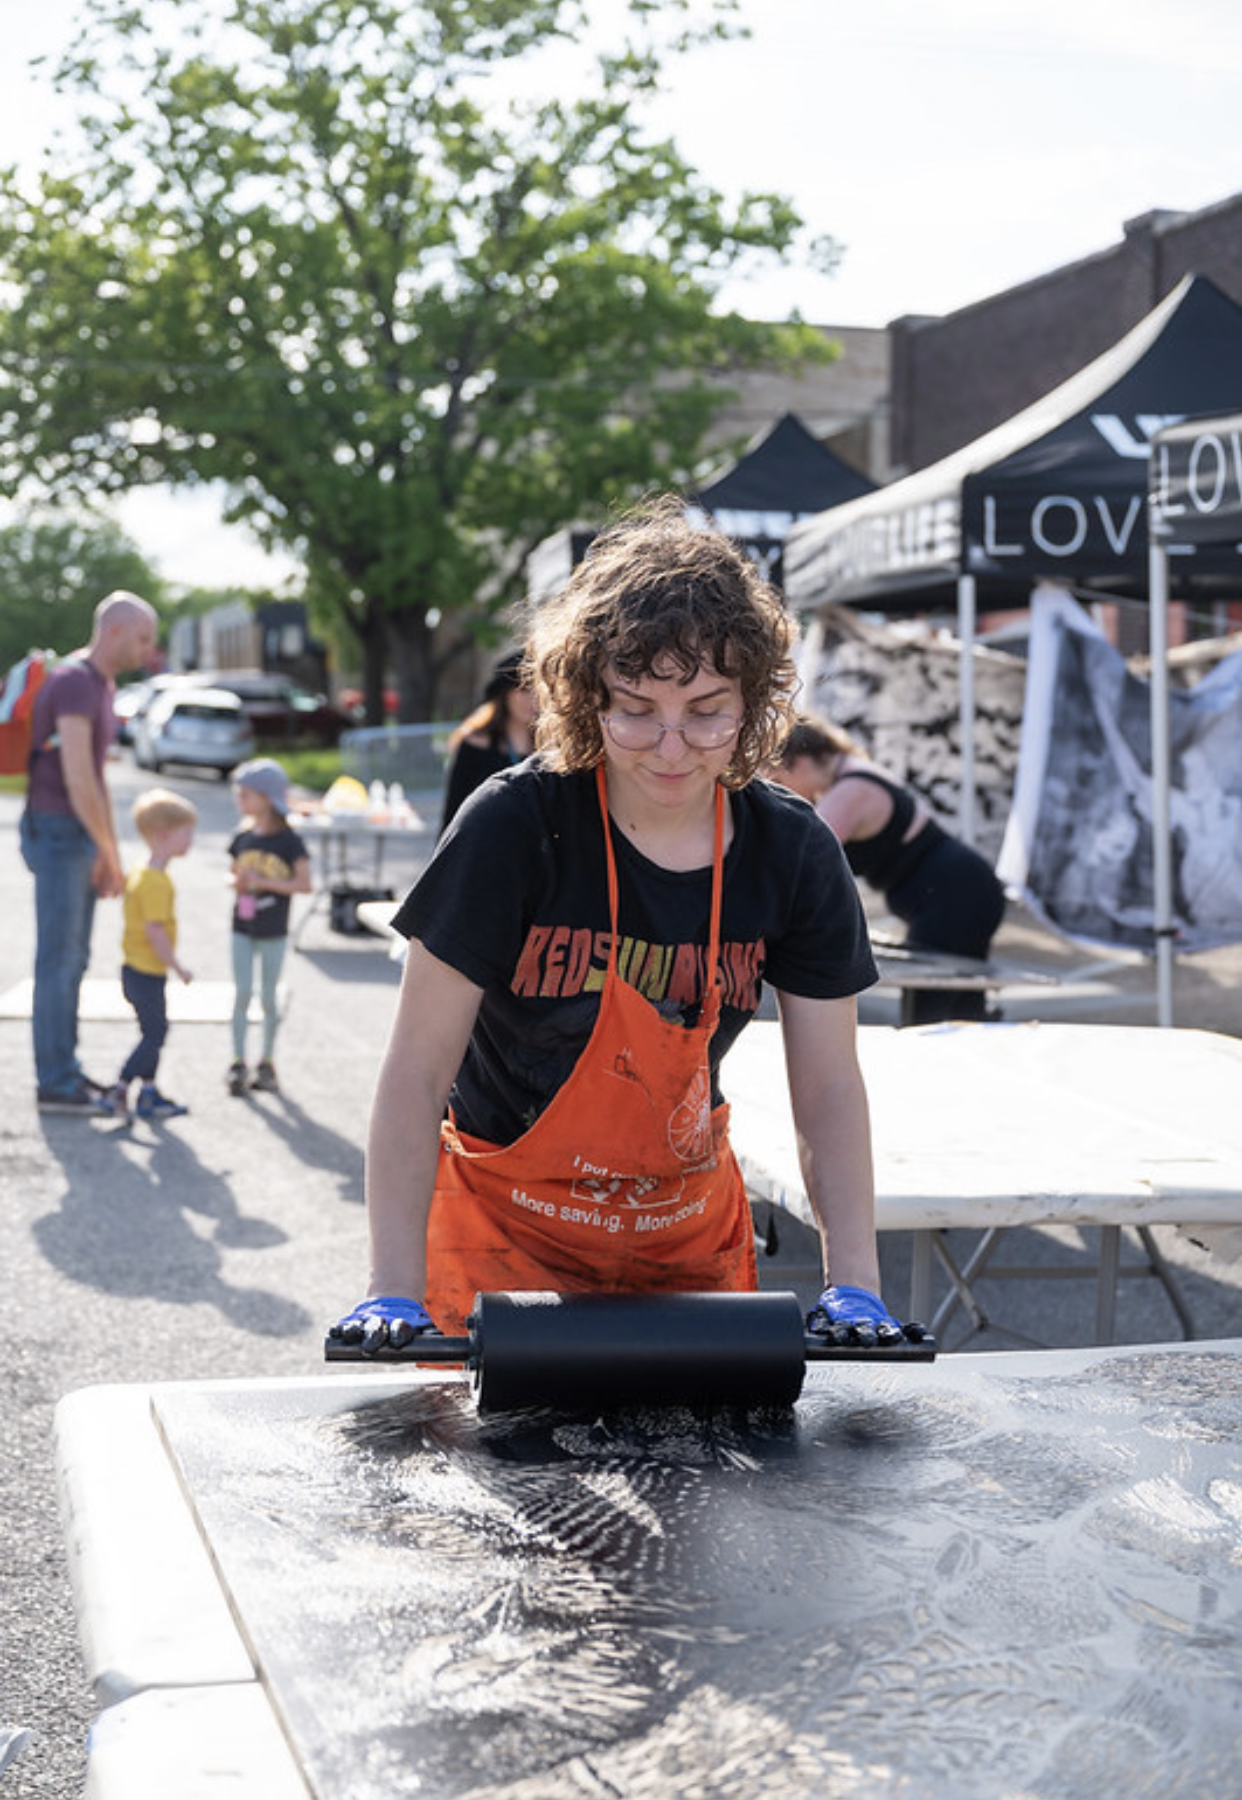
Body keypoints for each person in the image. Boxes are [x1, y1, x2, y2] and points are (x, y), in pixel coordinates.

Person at [331, 497, 913, 1359]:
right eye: (635, 708)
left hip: (682, 1242)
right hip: (499, 1237)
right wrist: (390, 1287)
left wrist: (854, 1279)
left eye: (709, 710)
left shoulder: (792, 849)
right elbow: (416, 1072)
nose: (672, 746)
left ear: (755, 702)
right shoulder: (514, 825)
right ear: (580, 696)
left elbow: (828, 1087)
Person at [769, 714, 1007, 1023]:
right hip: (962, 891)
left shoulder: (851, 790)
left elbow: (802, 859)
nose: (781, 791)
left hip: (955, 895)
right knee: (959, 1006)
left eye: (778, 781)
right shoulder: (853, 776)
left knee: (930, 1012)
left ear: (799, 762)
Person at [20, 590, 160, 1113]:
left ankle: (67, 1073)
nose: (149, 650)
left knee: (72, 960)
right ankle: (55, 1083)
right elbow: (78, 777)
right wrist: (106, 851)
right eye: (144, 637)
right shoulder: (76, 682)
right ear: (116, 630)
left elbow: (97, 778)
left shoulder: (100, 685)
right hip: (58, 832)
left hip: (75, 833)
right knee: (58, 961)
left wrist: (110, 852)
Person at [98, 789, 197, 1122]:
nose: (192, 840)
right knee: (155, 1033)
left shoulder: (141, 872)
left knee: (152, 1032)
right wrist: (178, 966)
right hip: (147, 972)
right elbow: (155, 931)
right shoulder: (156, 882)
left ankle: (149, 1093)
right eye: (187, 833)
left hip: (134, 969)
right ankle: (120, 1087)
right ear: (165, 835)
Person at [226, 757, 312, 1096]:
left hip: (274, 928)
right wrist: (239, 882)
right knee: (242, 992)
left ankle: (267, 1060)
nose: (239, 801)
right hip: (241, 926)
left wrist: (264, 883)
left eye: (246, 795)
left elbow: (304, 884)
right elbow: (232, 873)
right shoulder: (242, 837)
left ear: (266, 798)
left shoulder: (289, 841)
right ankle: (237, 1059)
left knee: (268, 995)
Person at [438, 650, 537, 835]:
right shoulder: (474, 745)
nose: (533, 698)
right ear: (505, 693)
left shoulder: (553, 751)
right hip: (485, 851)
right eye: (524, 689)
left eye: (539, 690)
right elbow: (453, 815)